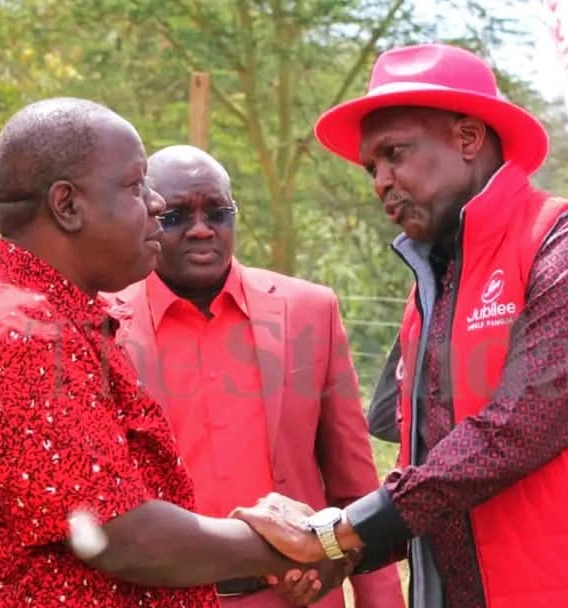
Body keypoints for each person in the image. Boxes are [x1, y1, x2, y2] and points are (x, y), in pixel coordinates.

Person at [232, 43, 568, 607]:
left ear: (468, 138)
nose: (380, 180)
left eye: (394, 154)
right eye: (371, 167)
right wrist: (350, 552)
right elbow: (427, 471)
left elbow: (518, 428)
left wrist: (338, 532)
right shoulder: (434, 287)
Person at [0, 97, 347, 608]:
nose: (154, 204)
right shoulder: (17, 332)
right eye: (134, 186)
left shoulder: (37, 313)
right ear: (67, 206)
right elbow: (121, 535)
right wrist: (300, 541)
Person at [106, 144, 404, 608]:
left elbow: (354, 481)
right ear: (146, 218)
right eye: (176, 216)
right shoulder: (100, 325)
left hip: (298, 598)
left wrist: (379, 599)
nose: (202, 229)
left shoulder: (309, 311)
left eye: (218, 212)